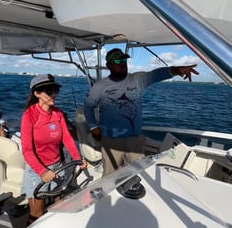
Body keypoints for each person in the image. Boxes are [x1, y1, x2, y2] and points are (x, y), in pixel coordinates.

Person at [84, 47, 199, 175]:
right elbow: (88, 106)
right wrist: (93, 127)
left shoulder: (137, 79)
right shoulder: (99, 86)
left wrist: (175, 70)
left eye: (124, 60)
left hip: (135, 139)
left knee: (136, 173)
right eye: (117, 61)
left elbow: (154, 75)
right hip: (111, 140)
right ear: (108, 65)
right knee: (110, 175)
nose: (122, 63)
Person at [20, 73, 87, 225]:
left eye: (55, 90)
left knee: (60, 204)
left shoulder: (57, 113)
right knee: (36, 213)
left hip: (58, 166)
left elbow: (67, 138)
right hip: (37, 169)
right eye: (49, 91)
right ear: (36, 93)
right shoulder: (29, 116)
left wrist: (77, 158)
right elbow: (27, 150)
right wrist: (42, 171)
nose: (54, 94)